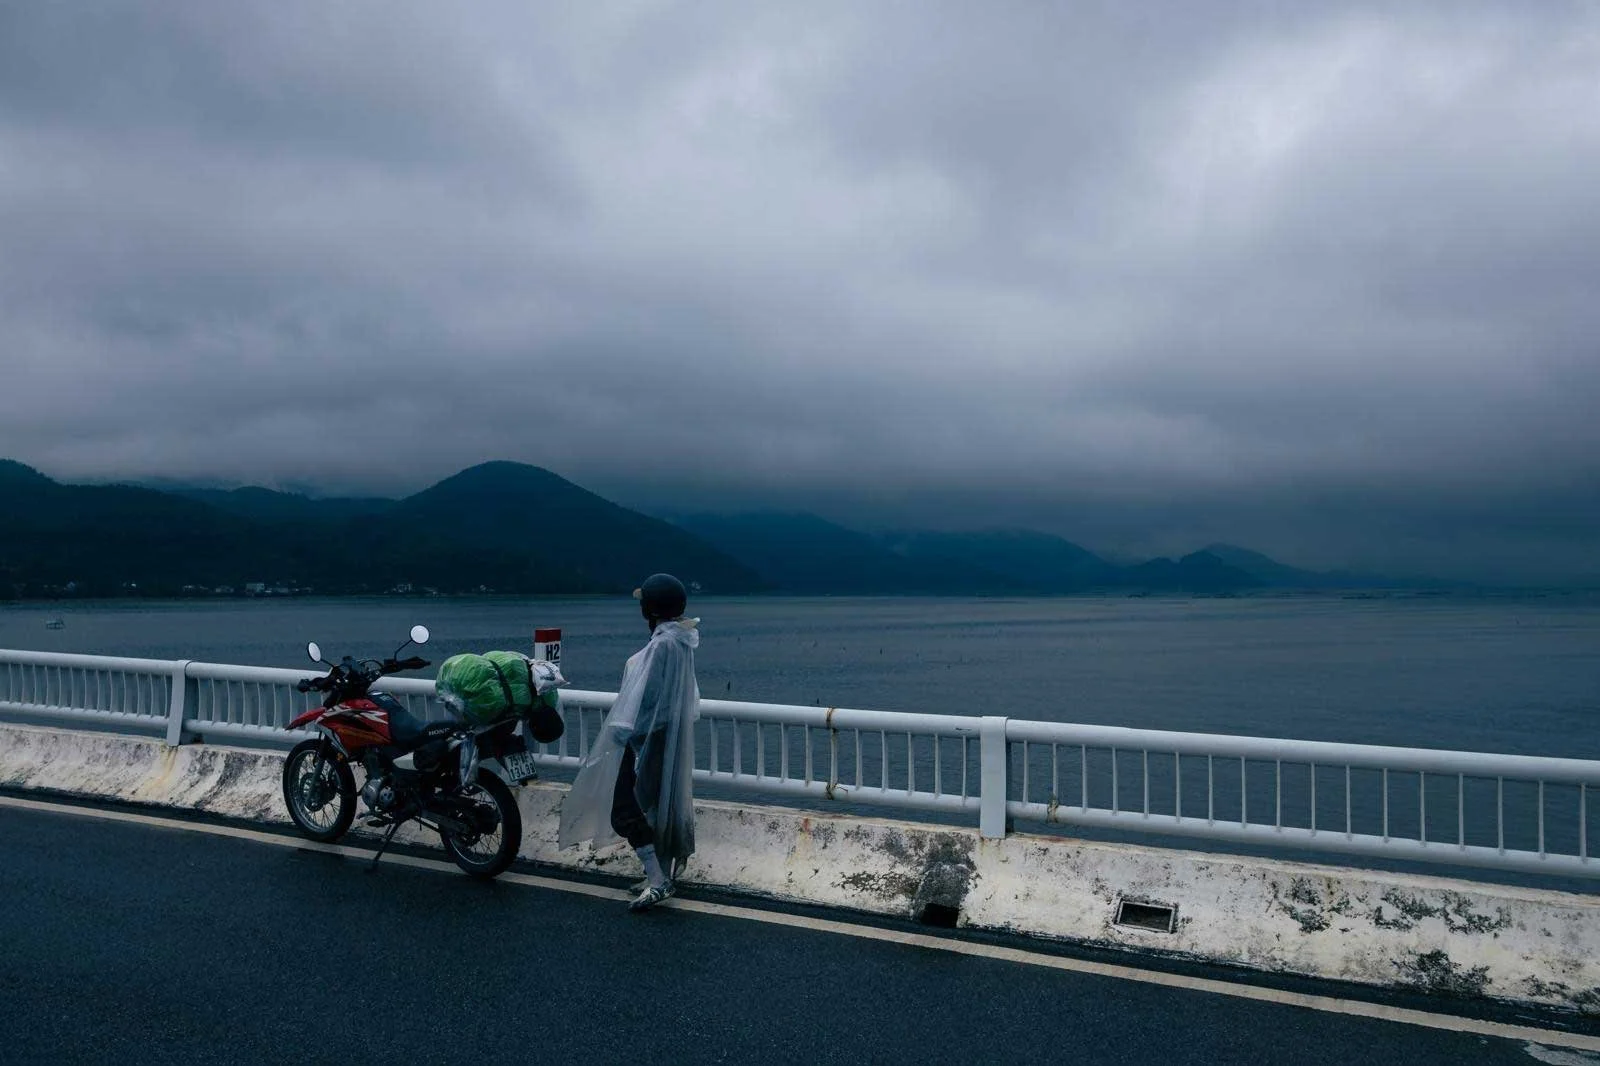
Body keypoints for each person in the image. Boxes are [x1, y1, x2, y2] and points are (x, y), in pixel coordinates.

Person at [558, 573, 700, 911]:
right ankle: (659, 875)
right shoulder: (680, 640)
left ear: (649, 609)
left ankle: (658, 880)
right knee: (651, 806)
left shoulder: (663, 644)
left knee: (625, 808)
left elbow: (645, 699)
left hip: (643, 739)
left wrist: (625, 735)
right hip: (665, 735)